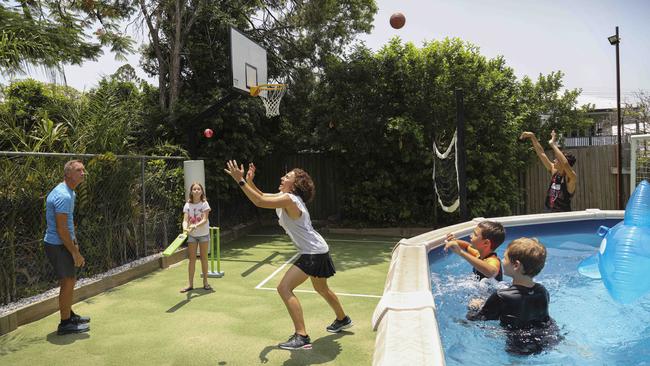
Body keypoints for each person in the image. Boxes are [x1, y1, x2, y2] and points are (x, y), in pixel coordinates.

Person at [224, 161, 352, 350]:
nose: (283, 178)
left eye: (288, 177)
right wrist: (249, 181)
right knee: (322, 289)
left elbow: (259, 202)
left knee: (284, 288)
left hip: (312, 253)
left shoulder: (290, 200)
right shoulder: (285, 197)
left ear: (295, 185)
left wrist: (240, 181)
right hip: (318, 250)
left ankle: (302, 336)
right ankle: (343, 319)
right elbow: (261, 195)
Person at [466, 237, 561, 355]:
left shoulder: (501, 296)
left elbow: (477, 319)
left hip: (518, 346)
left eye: (505, 258)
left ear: (516, 265)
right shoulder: (542, 291)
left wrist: (473, 307)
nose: (502, 260)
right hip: (548, 338)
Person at [43, 160, 90, 335]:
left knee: (68, 281)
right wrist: (75, 253)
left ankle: (69, 315)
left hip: (63, 243)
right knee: (68, 282)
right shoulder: (63, 195)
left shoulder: (71, 192)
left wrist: (75, 244)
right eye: (79, 170)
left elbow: (69, 224)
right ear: (68, 174)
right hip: (57, 244)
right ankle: (65, 324)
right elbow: (61, 230)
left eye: (83, 170)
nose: (83, 173)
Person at [520, 130, 577, 212]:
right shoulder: (554, 171)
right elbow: (541, 153)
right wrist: (533, 137)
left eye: (557, 159)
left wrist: (553, 144)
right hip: (548, 212)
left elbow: (565, 164)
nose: (554, 160)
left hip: (563, 216)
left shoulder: (571, 178)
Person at [180, 182, 212, 292]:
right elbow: (185, 220)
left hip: (203, 234)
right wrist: (185, 228)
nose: (197, 191)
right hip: (192, 236)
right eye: (194, 189)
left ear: (202, 191)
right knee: (192, 259)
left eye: (199, 189)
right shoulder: (187, 205)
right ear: (191, 192)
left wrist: (195, 225)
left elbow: (204, 219)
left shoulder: (204, 204)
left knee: (204, 258)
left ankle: (205, 282)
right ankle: (190, 284)